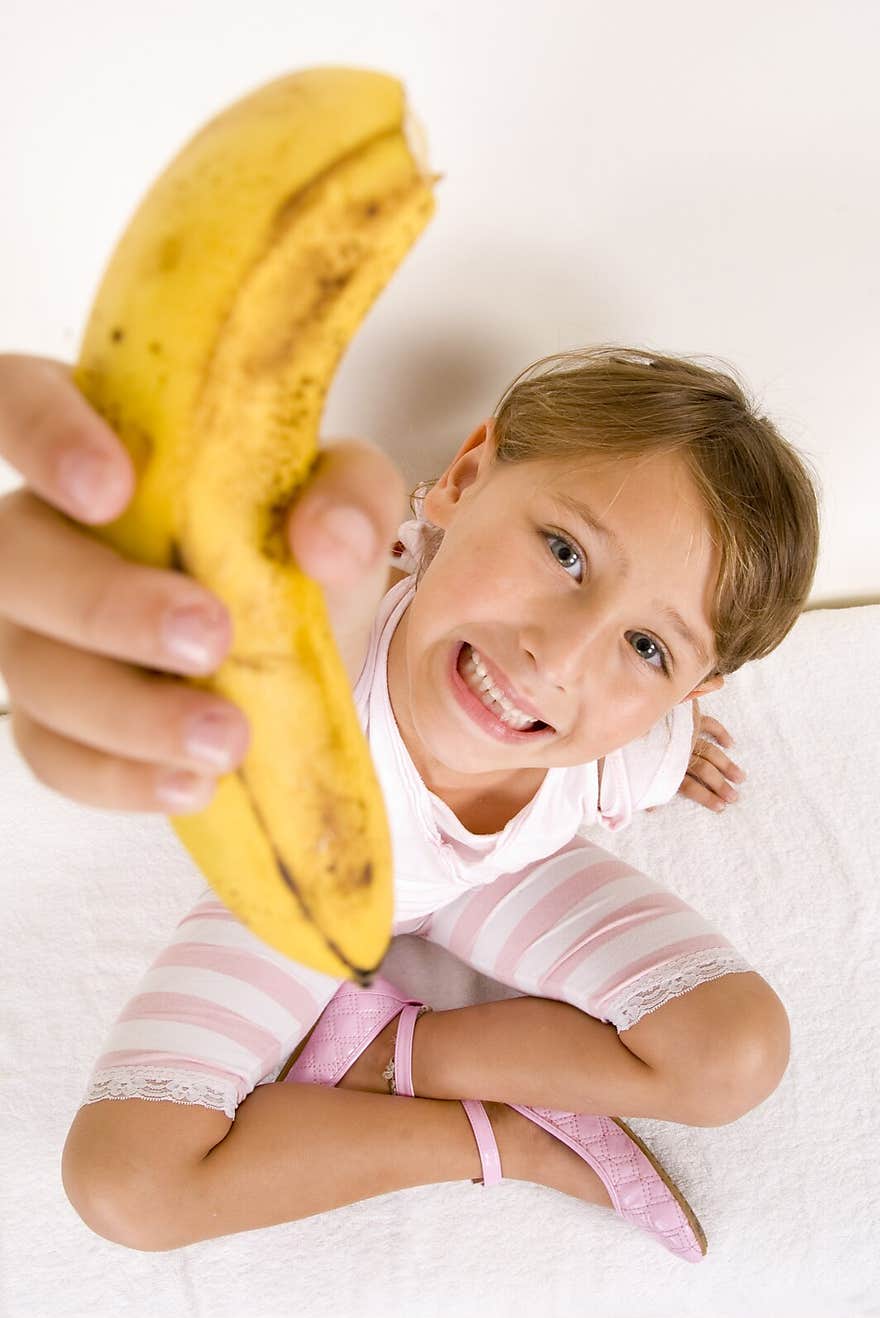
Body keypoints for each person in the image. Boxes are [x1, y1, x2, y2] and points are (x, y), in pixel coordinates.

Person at [0, 345, 820, 1261]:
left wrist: (673, 759)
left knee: (737, 1050)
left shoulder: (628, 747)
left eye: (646, 648)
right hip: (303, 891)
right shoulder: (324, 648)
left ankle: (396, 1059)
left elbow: (654, 735)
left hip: (502, 877)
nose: (559, 654)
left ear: (688, 694)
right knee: (126, 1185)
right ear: (464, 480)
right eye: (564, 552)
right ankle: (502, 1140)